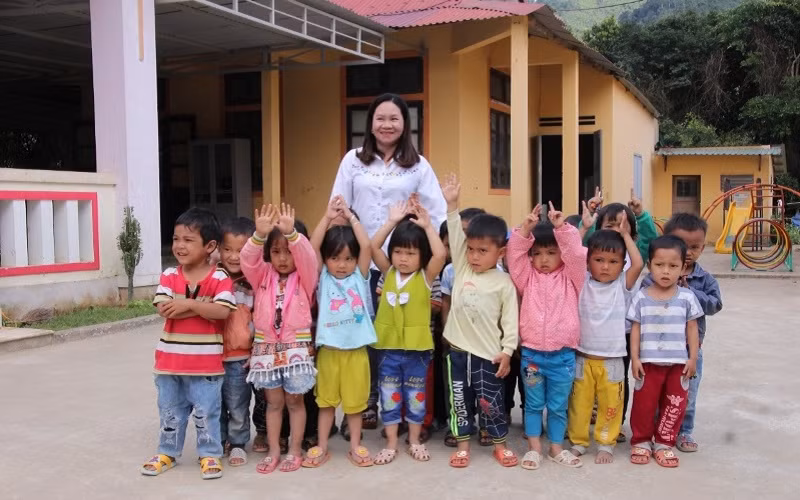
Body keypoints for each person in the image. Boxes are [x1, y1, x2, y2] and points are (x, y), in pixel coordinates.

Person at [329, 93, 447, 431]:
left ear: (404, 124)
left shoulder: (419, 165)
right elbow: (339, 208)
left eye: (394, 119)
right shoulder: (353, 160)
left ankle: (409, 409)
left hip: (404, 262)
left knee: (402, 335)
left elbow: (435, 211)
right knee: (363, 333)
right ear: (370, 123)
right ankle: (366, 403)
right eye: (380, 118)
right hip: (360, 262)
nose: (386, 125)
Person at [142, 207, 235, 480]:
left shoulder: (219, 277)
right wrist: (202, 305)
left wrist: (186, 303)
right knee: (170, 412)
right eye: (176, 239)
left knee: (207, 414)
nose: (179, 246)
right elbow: (164, 308)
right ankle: (167, 453)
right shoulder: (169, 274)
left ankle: (209, 455)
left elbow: (223, 311)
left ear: (210, 246)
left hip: (205, 366)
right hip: (169, 364)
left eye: (188, 240)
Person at [440, 174, 519, 469]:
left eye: (482, 251)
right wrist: (452, 205)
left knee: (492, 404)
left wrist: (508, 351)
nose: (474, 256)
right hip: (458, 353)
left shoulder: (504, 282)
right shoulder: (462, 268)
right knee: (459, 402)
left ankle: (499, 445)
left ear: (500, 253)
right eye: (471, 249)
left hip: (489, 355)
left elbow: (511, 321)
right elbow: (456, 236)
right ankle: (463, 447)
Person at [508, 202, 586, 470]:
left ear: (561, 255)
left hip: (563, 356)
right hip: (532, 355)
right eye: (537, 253)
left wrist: (562, 229)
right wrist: (526, 228)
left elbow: (576, 254)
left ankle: (555, 448)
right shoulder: (526, 277)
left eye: (551, 253)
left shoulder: (573, 277)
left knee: (557, 407)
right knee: (532, 405)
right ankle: (534, 449)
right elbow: (514, 256)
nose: (543, 259)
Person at [242, 204, 318, 474]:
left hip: (296, 349)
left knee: (295, 402)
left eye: (288, 251)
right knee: (273, 404)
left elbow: (308, 258)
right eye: (276, 252)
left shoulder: (305, 277)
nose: (283, 258)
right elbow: (247, 260)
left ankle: (295, 450)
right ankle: (275, 450)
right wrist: (258, 236)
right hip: (265, 349)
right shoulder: (262, 274)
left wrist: (293, 235)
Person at [369, 199, 447, 464]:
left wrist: (427, 227)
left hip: (417, 352)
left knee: (416, 397)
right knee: (389, 398)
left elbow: (440, 255)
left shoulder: (425, 277)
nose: (403, 258)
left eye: (411, 253)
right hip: (389, 350)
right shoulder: (387, 272)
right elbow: (373, 246)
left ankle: (413, 440)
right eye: (399, 251)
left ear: (421, 257)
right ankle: (391, 443)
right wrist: (391, 221)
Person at [302, 196, 377, 468]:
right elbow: (312, 248)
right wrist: (327, 216)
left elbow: (367, 244)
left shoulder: (360, 276)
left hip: (356, 352)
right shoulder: (322, 277)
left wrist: (350, 216)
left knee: (356, 406)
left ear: (356, 260)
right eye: (334, 258)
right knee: (326, 404)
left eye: (348, 258)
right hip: (329, 353)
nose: (342, 264)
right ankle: (322, 446)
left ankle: (356, 446)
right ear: (326, 260)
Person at [581, 188, 659, 442]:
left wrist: (641, 217)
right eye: (610, 225)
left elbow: (648, 243)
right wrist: (590, 217)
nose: (616, 230)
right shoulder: (594, 259)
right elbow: (580, 246)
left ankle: (617, 421)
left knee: (617, 382)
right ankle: (591, 414)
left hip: (622, 333)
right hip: (591, 334)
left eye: (622, 226)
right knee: (586, 380)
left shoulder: (628, 257)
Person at [640, 213, 722, 453]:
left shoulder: (704, 279)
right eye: (681, 245)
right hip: (657, 349)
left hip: (689, 351)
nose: (688, 252)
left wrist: (689, 293)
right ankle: (657, 429)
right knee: (656, 393)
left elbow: (715, 305)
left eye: (695, 247)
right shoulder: (653, 277)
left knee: (687, 395)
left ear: (703, 247)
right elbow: (642, 302)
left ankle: (684, 431)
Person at [567, 222, 644, 465]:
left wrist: (624, 235)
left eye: (613, 261)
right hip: (583, 357)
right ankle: (578, 442)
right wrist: (583, 228)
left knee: (612, 405)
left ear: (622, 265)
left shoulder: (622, 285)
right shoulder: (582, 282)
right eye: (599, 259)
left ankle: (606, 443)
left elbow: (639, 263)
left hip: (612, 360)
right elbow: (570, 255)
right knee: (580, 405)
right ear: (588, 261)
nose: (605, 266)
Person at [628, 235, 702, 468]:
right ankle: (640, 440)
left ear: (683, 268)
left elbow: (692, 329)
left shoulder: (687, 297)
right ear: (650, 266)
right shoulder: (641, 298)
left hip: (678, 364)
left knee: (674, 404)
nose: (666, 271)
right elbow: (635, 329)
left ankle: (664, 443)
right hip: (648, 363)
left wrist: (692, 359)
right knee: (644, 404)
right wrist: (635, 359)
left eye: (673, 266)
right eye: (659, 265)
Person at [440, 207, 495, 448]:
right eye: (461, 234)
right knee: (459, 388)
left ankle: (486, 424)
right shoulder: (451, 271)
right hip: (459, 341)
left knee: (485, 387)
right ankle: (460, 427)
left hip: (485, 342)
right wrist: (446, 331)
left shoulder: (498, 273)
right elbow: (446, 303)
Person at [217, 217, 257, 467]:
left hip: (240, 358)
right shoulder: (211, 279)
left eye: (240, 251)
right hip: (210, 356)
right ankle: (219, 440)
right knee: (213, 404)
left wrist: (255, 351)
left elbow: (260, 321)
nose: (233, 256)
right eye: (227, 249)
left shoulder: (253, 284)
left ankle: (239, 442)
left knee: (238, 404)